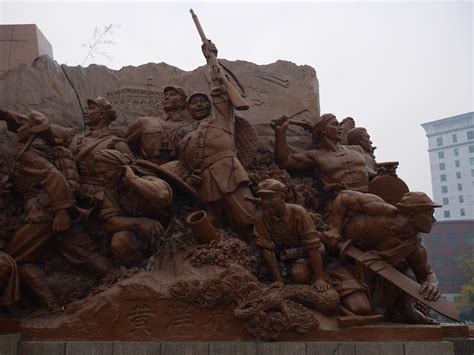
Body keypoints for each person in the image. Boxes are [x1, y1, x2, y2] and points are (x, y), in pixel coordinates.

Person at [0, 109, 112, 310]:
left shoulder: (31, 152)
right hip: (52, 211)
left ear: (33, 129)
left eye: (23, 126)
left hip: (44, 214)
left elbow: (53, 177)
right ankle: (116, 281)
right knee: (84, 253)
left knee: (13, 259)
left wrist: (61, 213)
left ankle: (54, 307)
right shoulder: (42, 147)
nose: (17, 129)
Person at [326, 190, 442, 324]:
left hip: (377, 276)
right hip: (341, 263)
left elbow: (426, 273)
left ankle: (405, 309)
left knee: (407, 271)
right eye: (429, 214)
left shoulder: (413, 245)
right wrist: (335, 228)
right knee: (360, 308)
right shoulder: (379, 210)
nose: (433, 220)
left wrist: (432, 284)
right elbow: (343, 197)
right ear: (411, 215)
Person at [178, 43, 255, 233]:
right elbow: (182, 164)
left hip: (230, 175)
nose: (198, 106)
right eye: (193, 104)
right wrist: (190, 178)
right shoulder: (186, 137)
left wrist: (211, 60)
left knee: (247, 219)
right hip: (205, 184)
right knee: (213, 226)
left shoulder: (221, 118)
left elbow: (219, 90)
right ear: (188, 110)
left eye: (203, 102)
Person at [95, 149, 173, 267]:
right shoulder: (112, 190)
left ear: (120, 169)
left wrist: (132, 179)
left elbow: (162, 195)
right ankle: (142, 271)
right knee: (120, 241)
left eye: (104, 173)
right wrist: (139, 222)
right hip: (141, 236)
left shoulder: (145, 178)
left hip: (169, 230)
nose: (100, 178)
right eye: (98, 174)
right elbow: (111, 223)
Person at [252, 179, 331, 291]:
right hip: (285, 257)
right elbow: (267, 250)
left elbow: (312, 246)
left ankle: (319, 272)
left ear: (282, 197)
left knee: (299, 274)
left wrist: (319, 278)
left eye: (270, 198)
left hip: (307, 252)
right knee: (297, 274)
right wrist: (278, 280)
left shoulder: (299, 212)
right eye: (263, 198)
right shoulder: (260, 217)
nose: (265, 203)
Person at [272, 114, 369, 193]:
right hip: (343, 200)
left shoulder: (357, 150)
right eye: (335, 124)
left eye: (340, 125)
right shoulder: (315, 155)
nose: (340, 128)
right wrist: (280, 131)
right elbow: (284, 161)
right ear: (323, 129)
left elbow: (370, 172)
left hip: (369, 195)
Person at [125, 86, 193, 165]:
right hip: (147, 170)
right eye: (165, 95)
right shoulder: (144, 122)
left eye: (172, 94)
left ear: (182, 102)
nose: (166, 97)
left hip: (177, 171)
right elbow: (124, 145)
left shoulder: (190, 128)